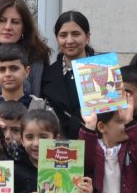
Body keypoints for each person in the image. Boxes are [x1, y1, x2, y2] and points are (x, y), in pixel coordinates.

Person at [41, 11, 96, 139]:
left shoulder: (103, 71)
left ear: (87, 37)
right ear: (56, 38)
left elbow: (112, 120)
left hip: (96, 148)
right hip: (59, 151)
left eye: (76, 34)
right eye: (63, 35)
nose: (69, 40)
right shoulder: (46, 75)